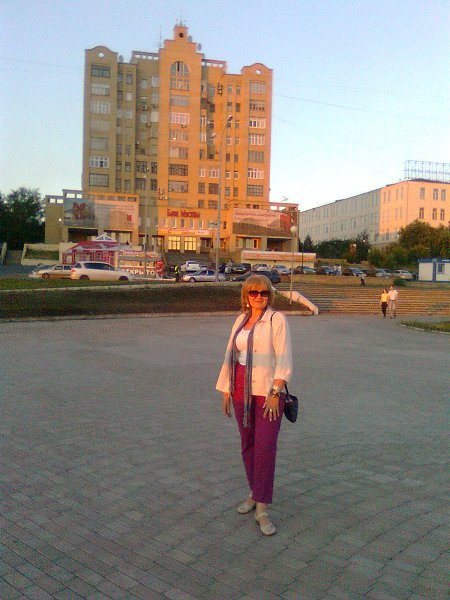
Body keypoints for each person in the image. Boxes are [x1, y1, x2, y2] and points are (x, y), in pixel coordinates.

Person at [216, 274, 293, 536]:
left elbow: (284, 356)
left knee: (265, 448)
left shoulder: (276, 319)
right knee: (248, 444)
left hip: (268, 392)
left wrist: (276, 391)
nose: (259, 297)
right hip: (240, 388)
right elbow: (231, 354)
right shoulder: (240, 320)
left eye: (264, 293)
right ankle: (254, 492)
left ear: (269, 295)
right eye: (254, 292)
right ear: (246, 295)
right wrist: (226, 390)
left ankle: (261, 508)